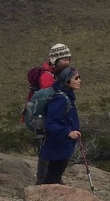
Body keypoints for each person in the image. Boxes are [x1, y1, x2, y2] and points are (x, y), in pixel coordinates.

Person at [33, 43, 72, 184]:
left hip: (51, 116)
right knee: (46, 147)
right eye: (63, 59)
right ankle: (42, 180)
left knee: (51, 145)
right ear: (55, 60)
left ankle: (52, 178)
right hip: (44, 118)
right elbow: (49, 97)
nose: (67, 62)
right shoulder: (47, 76)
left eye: (68, 59)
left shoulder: (55, 74)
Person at [38, 66, 82, 185]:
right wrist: (68, 132)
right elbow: (51, 123)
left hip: (61, 146)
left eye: (79, 77)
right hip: (57, 146)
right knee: (53, 176)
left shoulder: (66, 96)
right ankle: (46, 199)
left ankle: (47, 198)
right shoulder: (61, 99)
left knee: (55, 174)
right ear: (67, 81)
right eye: (76, 78)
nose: (79, 80)